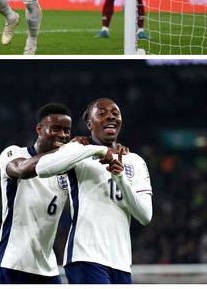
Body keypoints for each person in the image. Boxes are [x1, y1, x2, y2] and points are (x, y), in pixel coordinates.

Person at [36, 98, 152, 284]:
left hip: (121, 262)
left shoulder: (135, 161)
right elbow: (42, 168)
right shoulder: (79, 150)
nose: (110, 117)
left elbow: (145, 216)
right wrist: (94, 150)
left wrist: (121, 178)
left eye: (115, 113)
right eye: (102, 114)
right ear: (89, 124)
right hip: (85, 257)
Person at [0, 103, 73, 284]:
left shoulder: (66, 169)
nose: (62, 135)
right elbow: (21, 170)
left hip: (47, 267)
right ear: (39, 129)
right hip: (12, 262)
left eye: (67, 130)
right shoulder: (14, 153)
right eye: (56, 129)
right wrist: (64, 152)